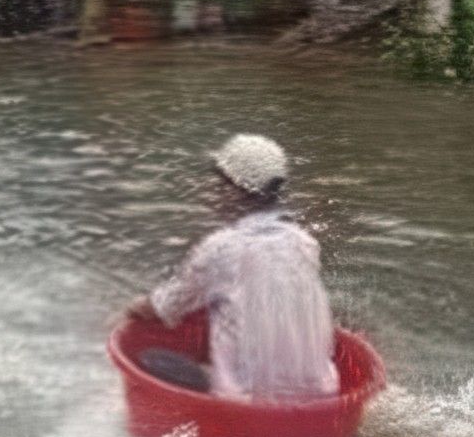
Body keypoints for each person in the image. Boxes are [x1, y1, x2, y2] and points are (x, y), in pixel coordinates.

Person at [129, 135, 339, 401]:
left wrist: (131, 309)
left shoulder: (221, 249)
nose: (212, 190)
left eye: (218, 183)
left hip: (247, 406)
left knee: (152, 358)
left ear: (233, 190)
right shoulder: (305, 243)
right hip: (323, 396)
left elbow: (165, 306)